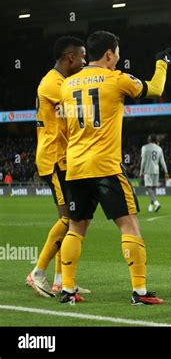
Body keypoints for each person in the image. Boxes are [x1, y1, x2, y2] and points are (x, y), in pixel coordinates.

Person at [60, 30, 171, 304]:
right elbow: (155, 89)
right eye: (117, 53)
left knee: (76, 227)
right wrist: (162, 62)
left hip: (75, 166)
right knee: (130, 225)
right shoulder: (117, 79)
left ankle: (67, 290)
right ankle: (140, 292)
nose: (119, 58)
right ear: (109, 54)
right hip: (106, 166)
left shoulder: (67, 85)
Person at [26, 36, 90, 298]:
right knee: (68, 218)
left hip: (66, 158)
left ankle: (60, 280)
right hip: (54, 159)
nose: (85, 62)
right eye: (83, 57)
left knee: (75, 219)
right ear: (70, 58)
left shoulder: (61, 82)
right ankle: (37, 273)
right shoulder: (53, 83)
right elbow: (80, 112)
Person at [140, 134, 169, 212]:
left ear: (149, 139)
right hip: (156, 171)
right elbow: (162, 161)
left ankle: (156, 203)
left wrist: (141, 171)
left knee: (148, 188)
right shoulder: (159, 149)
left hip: (148, 170)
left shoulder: (144, 147)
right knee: (153, 189)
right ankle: (151, 206)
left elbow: (143, 161)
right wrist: (166, 171)